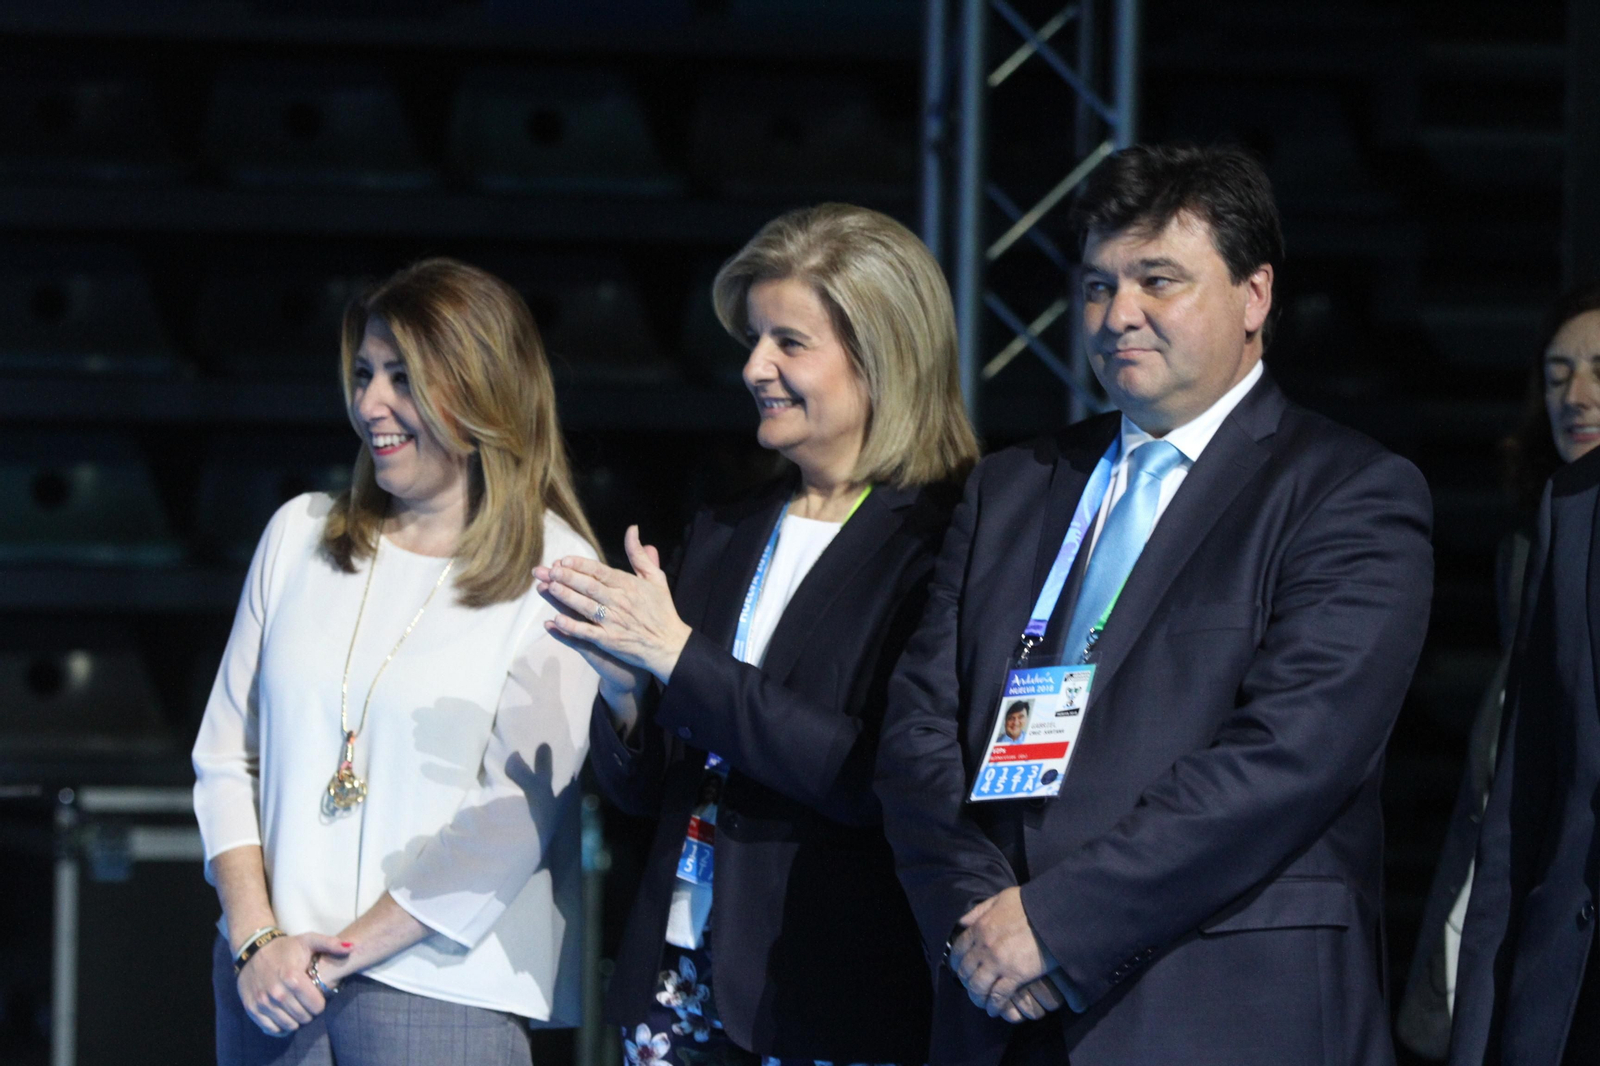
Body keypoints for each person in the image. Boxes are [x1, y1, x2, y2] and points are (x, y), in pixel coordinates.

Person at [875, 143, 1434, 1065]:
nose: (1117, 315)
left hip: (1219, 1008)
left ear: (1254, 298)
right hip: (997, 1006)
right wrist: (984, 924)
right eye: (1097, 287)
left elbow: (1286, 760)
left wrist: (1055, 922)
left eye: (1157, 281)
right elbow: (917, 734)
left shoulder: (1349, 492)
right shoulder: (1013, 487)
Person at [534, 203, 978, 1065]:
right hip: (675, 984)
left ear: (881, 356)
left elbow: (869, 776)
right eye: (754, 340)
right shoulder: (728, 529)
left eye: (789, 342)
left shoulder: (943, 536)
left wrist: (674, 654)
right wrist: (628, 693)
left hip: (824, 995)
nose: (755, 368)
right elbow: (644, 791)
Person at [191, 258, 601, 1065]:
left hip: (440, 990)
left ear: (483, 393)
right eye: (367, 373)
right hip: (268, 987)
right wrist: (255, 940)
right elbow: (225, 758)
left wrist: (342, 950)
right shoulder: (298, 538)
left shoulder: (557, 571)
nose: (371, 403)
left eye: (405, 379)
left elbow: (510, 820)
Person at [1397, 282, 1600, 1060]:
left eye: (1595, 371)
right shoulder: (1553, 533)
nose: (1575, 397)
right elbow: (1507, 791)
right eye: (1556, 376)